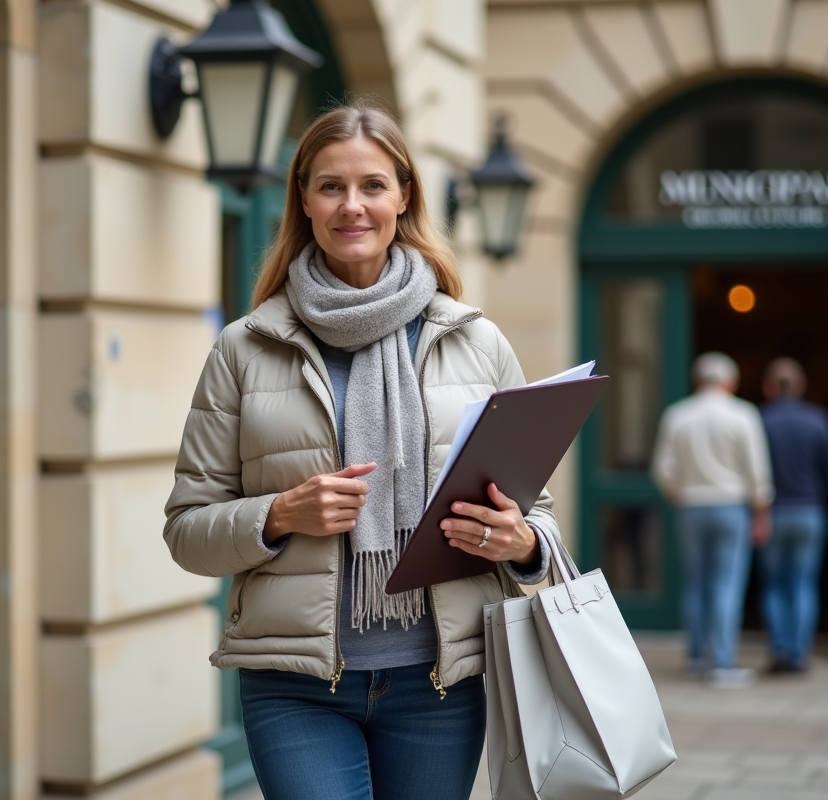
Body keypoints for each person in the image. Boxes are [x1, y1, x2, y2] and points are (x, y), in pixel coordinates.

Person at [163, 103, 560, 800]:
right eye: (331, 187)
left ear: (404, 196)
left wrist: (520, 541)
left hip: (438, 683)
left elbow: (541, 522)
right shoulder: (246, 349)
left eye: (373, 185)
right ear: (305, 202)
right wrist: (279, 515)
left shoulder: (476, 341)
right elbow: (188, 531)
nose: (353, 206)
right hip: (295, 685)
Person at [651, 352, 774, 688]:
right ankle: (721, 663)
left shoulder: (678, 415)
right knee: (726, 585)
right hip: (731, 507)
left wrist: (681, 496)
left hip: (691, 507)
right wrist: (762, 510)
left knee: (695, 583)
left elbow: (663, 470)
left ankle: (694, 657)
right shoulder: (743, 414)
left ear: (697, 380)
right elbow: (757, 470)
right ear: (730, 382)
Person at [759, 358, 828, 673]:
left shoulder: (760, 419)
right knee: (803, 583)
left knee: (774, 584)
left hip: (773, 512)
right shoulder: (819, 420)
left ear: (770, 387)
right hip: (809, 512)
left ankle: (779, 650)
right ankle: (799, 654)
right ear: (800, 386)